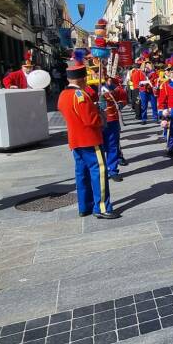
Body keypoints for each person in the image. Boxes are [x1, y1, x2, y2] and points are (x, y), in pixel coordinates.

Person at [57, 53, 120, 220]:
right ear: (82, 79)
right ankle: (101, 207)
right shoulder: (80, 96)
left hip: (75, 140)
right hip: (90, 139)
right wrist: (99, 113)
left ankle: (84, 206)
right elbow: (90, 120)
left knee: (81, 173)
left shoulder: (63, 95)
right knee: (99, 172)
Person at [99, 76, 127, 182]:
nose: (98, 73)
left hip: (112, 119)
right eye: (95, 71)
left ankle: (113, 170)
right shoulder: (88, 87)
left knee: (112, 146)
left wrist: (120, 104)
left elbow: (123, 97)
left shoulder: (113, 85)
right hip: (97, 121)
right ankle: (102, 171)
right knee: (99, 148)